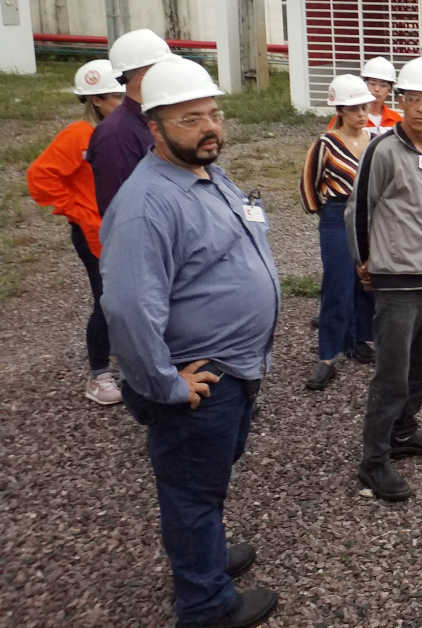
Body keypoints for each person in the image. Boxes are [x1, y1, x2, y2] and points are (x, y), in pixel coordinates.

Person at [101, 56, 280, 628]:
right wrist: (163, 383)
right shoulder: (146, 203)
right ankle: (205, 605)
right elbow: (128, 308)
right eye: (189, 119)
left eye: (212, 114)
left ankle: (206, 556)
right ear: (154, 127)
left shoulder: (207, 171)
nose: (209, 129)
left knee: (207, 481)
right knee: (190, 492)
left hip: (235, 368)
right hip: (199, 379)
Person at [348, 56, 422, 502]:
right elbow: (359, 211)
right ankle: (373, 462)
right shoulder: (383, 150)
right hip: (396, 280)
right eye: (413, 99)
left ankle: (403, 433)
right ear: (400, 100)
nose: (421, 109)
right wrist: (364, 263)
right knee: (391, 375)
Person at [27, 60, 125, 404]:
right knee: (107, 301)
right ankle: (99, 374)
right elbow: (40, 178)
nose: (125, 104)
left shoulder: (131, 130)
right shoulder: (78, 136)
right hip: (94, 234)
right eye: (117, 97)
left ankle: (136, 359)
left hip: (127, 228)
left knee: (141, 295)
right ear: (96, 99)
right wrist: (79, 210)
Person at [300, 74, 377, 390]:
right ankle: (328, 355)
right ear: (340, 111)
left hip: (369, 215)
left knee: (367, 279)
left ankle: (359, 338)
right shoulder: (325, 143)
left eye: (365, 107)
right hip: (335, 214)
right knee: (337, 283)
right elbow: (309, 184)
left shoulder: (373, 140)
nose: (362, 114)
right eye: (355, 109)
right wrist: (326, 213)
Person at [86, 28, 173, 215]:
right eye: (166, 70)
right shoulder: (115, 135)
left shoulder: (161, 117)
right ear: (144, 78)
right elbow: (117, 210)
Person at [326, 57, 402, 138]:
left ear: (390, 89)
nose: (377, 89)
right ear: (364, 85)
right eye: (372, 84)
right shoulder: (345, 118)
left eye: (383, 85)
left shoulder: (396, 119)